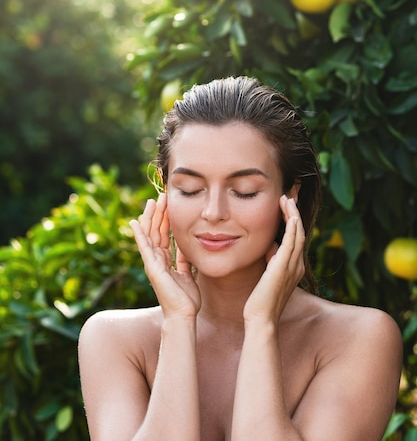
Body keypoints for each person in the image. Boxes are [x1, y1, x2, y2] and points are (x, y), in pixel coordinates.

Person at [78, 75, 402, 441]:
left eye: (245, 191)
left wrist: (261, 324)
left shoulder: (358, 339)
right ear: (165, 190)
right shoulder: (114, 340)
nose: (213, 212)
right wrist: (179, 324)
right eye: (190, 189)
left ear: (290, 194)